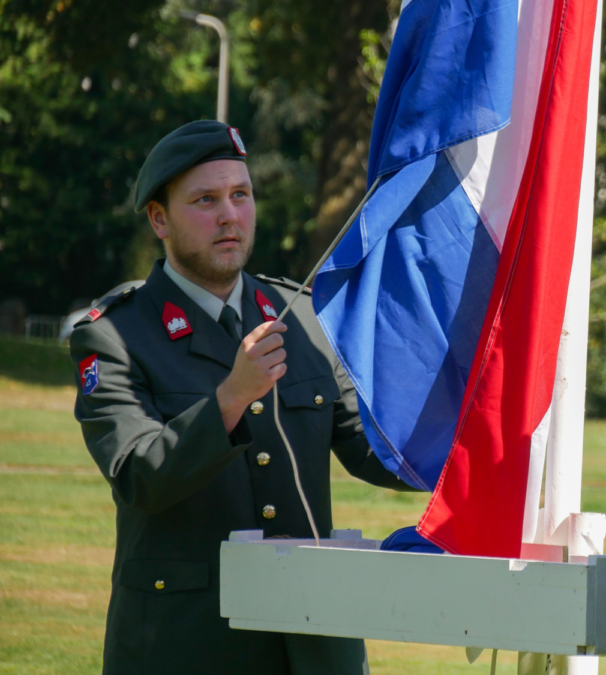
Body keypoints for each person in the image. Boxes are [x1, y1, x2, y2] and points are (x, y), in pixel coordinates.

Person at [69, 120, 414, 675]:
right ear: (159, 218)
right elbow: (139, 476)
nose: (230, 215)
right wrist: (230, 398)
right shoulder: (113, 336)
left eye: (241, 195)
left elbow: (374, 448)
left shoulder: (300, 315)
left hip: (311, 640)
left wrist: (472, 440)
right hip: (187, 642)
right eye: (205, 200)